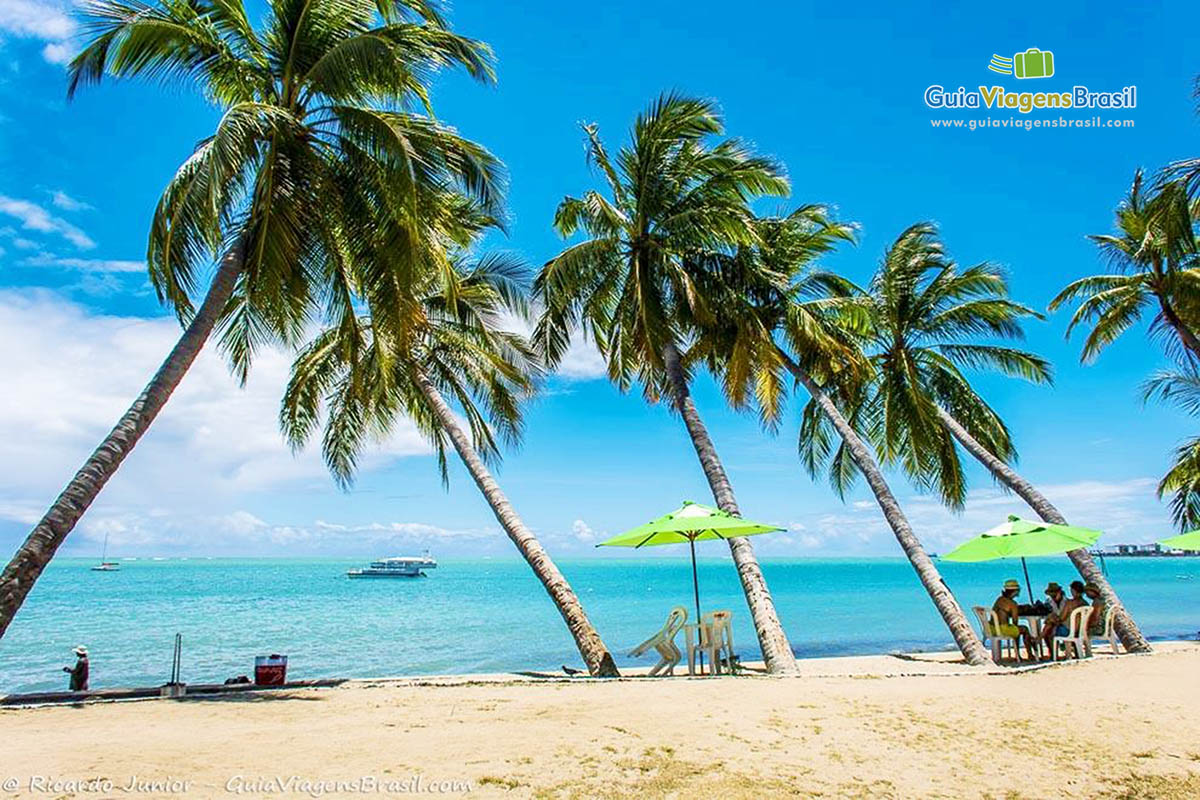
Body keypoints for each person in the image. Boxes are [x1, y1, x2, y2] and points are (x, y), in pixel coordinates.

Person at [992, 579, 1037, 661]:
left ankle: (1019, 654)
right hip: (1002, 629)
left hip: (992, 628)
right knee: (1024, 629)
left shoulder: (999, 599)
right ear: (1015, 591)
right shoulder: (1013, 604)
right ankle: (1029, 654)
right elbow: (1015, 623)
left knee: (1017, 630)